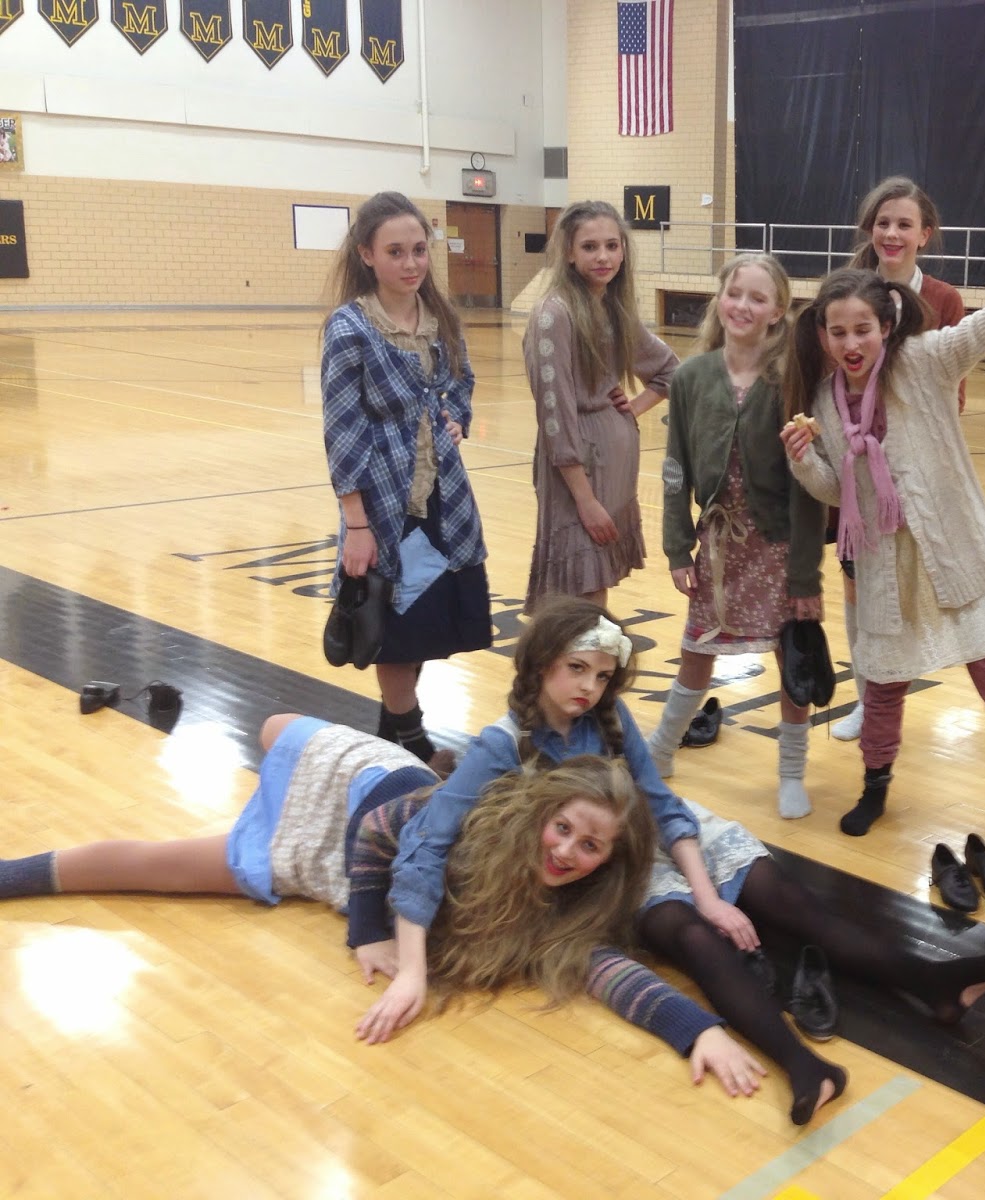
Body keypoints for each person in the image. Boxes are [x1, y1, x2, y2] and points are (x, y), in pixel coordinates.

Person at [387, 594, 985, 1124]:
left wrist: (712, 893)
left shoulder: (609, 717)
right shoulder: (500, 745)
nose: (589, 687)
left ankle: (932, 980)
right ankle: (805, 1065)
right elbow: (425, 846)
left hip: (661, 834)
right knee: (691, 936)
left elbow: (662, 804)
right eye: (577, 669)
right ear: (539, 664)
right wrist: (411, 970)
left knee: (782, 898)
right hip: (600, 865)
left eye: (602, 676)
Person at [0, 722, 765, 1094]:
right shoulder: (471, 822)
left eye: (589, 846)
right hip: (368, 792)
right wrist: (369, 936)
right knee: (275, 730)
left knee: (154, 867)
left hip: (318, 864)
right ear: (540, 813)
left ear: (608, 863)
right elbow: (375, 832)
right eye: (561, 827)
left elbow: (613, 977)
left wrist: (698, 1031)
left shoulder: (565, 919)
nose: (566, 850)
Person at [780, 267, 985, 867]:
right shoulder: (823, 400)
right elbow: (837, 490)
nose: (851, 344)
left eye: (863, 329)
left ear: (886, 326)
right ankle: (875, 788)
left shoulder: (925, 360)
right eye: (838, 332)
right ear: (822, 335)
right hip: (886, 567)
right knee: (883, 686)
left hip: (955, 553)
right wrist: (804, 462)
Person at [647, 254, 826, 818]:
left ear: (777, 312)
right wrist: (678, 547)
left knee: (790, 660)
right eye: (735, 293)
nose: (743, 306)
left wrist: (805, 576)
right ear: (719, 298)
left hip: (778, 548)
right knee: (695, 652)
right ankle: (660, 752)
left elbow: (807, 490)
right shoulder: (691, 378)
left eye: (758, 298)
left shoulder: (790, 382)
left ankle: (791, 773)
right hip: (718, 548)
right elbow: (674, 468)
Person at [321, 191, 493, 775]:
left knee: (425, 619)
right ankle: (411, 738)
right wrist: (357, 525)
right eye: (395, 251)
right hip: (384, 502)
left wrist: (456, 417)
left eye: (419, 249)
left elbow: (461, 382)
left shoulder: (441, 318)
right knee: (394, 624)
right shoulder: (350, 329)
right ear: (367, 255)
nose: (411, 262)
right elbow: (342, 430)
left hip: (444, 494)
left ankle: (390, 730)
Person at [829, 177, 970, 742]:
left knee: (906, 592)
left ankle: (888, 699)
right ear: (870, 229)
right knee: (860, 589)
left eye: (904, 224)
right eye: (883, 222)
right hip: (857, 474)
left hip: (915, 475)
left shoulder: (943, 299)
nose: (892, 233)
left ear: (924, 234)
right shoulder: (846, 288)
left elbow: (953, 389)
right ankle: (868, 701)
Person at [523, 200, 678, 610]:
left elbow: (670, 372)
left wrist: (634, 407)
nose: (603, 256)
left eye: (612, 245)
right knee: (577, 586)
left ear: (624, 250)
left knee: (593, 587)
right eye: (590, 247)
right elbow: (555, 416)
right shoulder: (553, 315)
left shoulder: (613, 308)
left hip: (614, 468)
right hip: (578, 472)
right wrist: (584, 499)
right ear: (569, 253)